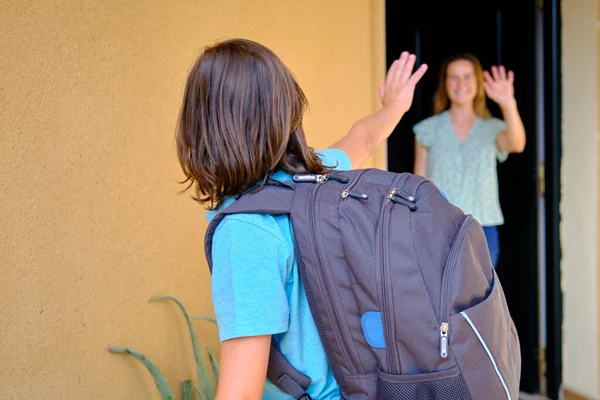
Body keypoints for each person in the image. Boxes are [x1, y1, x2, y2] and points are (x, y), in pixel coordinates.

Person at [176, 39, 427, 399]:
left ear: (202, 129)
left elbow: (240, 392)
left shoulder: (246, 230)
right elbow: (364, 136)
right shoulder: (320, 174)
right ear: (286, 112)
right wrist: (395, 107)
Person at [412, 52, 525, 268]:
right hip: (440, 226)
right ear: (444, 84)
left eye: (467, 76)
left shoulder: (492, 128)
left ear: (478, 83)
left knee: (480, 297)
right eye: (453, 77)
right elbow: (419, 182)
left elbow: (517, 144)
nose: (461, 83)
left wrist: (508, 103)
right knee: (444, 298)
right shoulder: (427, 130)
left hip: (483, 227)